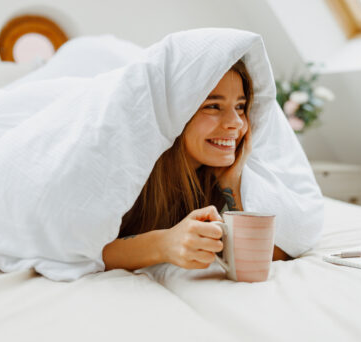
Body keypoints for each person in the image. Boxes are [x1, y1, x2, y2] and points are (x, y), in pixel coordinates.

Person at [102, 59, 291, 272]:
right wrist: (163, 244)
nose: (237, 122)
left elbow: (272, 254)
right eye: (213, 106)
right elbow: (82, 252)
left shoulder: (211, 176)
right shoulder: (132, 171)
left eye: (240, 106)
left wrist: (232, 183)